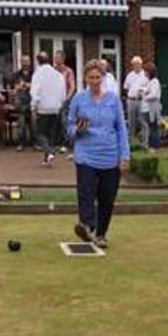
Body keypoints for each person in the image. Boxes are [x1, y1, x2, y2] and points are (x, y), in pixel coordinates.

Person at [68, 59, 130, 249]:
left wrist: (124, 155)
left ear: (103, 77)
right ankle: (86, 225)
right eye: (91, 77)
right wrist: (77, 130)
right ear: (85, 78)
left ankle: (101, 234)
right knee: (86, 193)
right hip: (86, 155)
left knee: (107, 198)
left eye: (98, 77)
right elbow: (69, 127)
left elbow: (121, 128)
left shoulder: (113, 99)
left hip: (110, 156)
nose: (95, 81)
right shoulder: (78, 99)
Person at [30, 51, 66, 166]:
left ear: (38, 61)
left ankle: (49, 151)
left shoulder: (37, 74)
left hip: (43, 108)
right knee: (51, 135)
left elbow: (34, 91)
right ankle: (47, 159)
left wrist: (33, 107)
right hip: (55, 108)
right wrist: (60, 104)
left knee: (39, 133)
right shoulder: (58, 75)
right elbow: (62, 93)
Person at [54, 50, 76, 154]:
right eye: (55, 58)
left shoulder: (68, 71)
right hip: (53, 101)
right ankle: (57, 143)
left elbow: (72, 86)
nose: (55, 60)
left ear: (62, 59)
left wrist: (67, 98)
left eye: (57, 58)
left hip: (64, 100)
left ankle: (67, 144)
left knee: (64, 121)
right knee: (55, 122)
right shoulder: (52, 71)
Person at [123, 56, 149, 140]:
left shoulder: (145, 75)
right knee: (131, 122)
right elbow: (126, 87)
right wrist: (129, 96)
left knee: (142, 121)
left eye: (137, 64)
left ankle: (144, 141)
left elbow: (149, 88)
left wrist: (142, 91)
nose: (136, 66)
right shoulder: (130, 75)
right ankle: (131, 141)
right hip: (131, 100)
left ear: (141, 64)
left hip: (142, 101)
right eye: (134, 64)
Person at [12, 55, 34, 152]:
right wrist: (24, 86)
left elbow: (36, 86)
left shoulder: (35, 74)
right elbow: (16, 87)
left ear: (30, 62)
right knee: (21, 124)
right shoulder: (16, 74)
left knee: (34, 124)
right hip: (21, 101)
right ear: (21, 62)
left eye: (27, 61)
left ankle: (35, 143)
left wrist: (25, 85)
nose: (25, 63)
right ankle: (21, 144)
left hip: (32, 101)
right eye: (23, 61)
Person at [140, 64, 162, 153]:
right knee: (150, 127)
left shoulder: (155, 81)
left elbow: (154, 95)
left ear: (149, 72)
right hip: (148, 108)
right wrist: (143, 90)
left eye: (146, 71)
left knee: (154, 127)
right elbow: (148, 90)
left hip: (153, 108)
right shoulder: (151, 81)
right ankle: (149, 145)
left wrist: (145, 96)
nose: (144, 73)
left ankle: (154, 146)